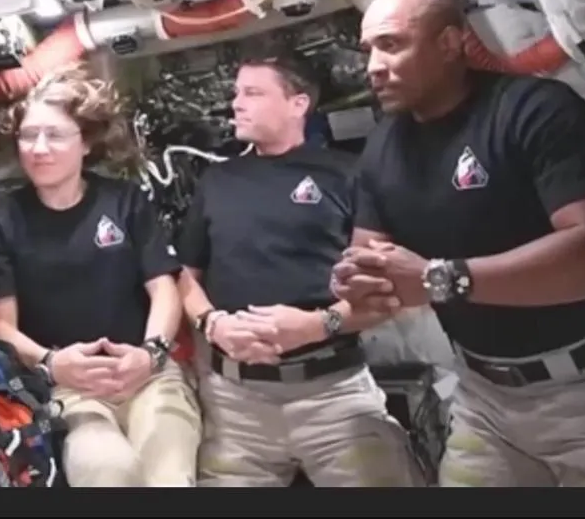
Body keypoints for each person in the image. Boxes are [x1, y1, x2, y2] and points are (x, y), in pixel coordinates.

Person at [332, 0, 585, 487]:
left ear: (449, 42)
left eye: (391, 44)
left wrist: (440, 279)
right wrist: (356, 283)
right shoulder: (381, 149)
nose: (372, 66)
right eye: (368, 49)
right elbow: (372, 263)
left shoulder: (535, 110)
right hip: (483, 399)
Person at [176, 50, 419, 488]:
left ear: (298, 103)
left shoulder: (348, 175)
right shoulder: (216, 182)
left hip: (333, 396)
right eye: (237, 93)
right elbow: (185, 277)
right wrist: (213, 324)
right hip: (235, 404)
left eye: (253, 93)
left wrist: (316, 325)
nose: (236, 104)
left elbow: (384, 289)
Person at [0, 63, 200, 488]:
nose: (39, 148)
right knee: (104, 470)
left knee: (168, 474)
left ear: (86, 143)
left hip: (146, 374)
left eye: (55, 135)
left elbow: (164, 290)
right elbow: (0, 326)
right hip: (67, 387)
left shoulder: (125, 202)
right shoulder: (3, 219)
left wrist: (151, 353)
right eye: (28, 135)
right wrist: (52, 363)